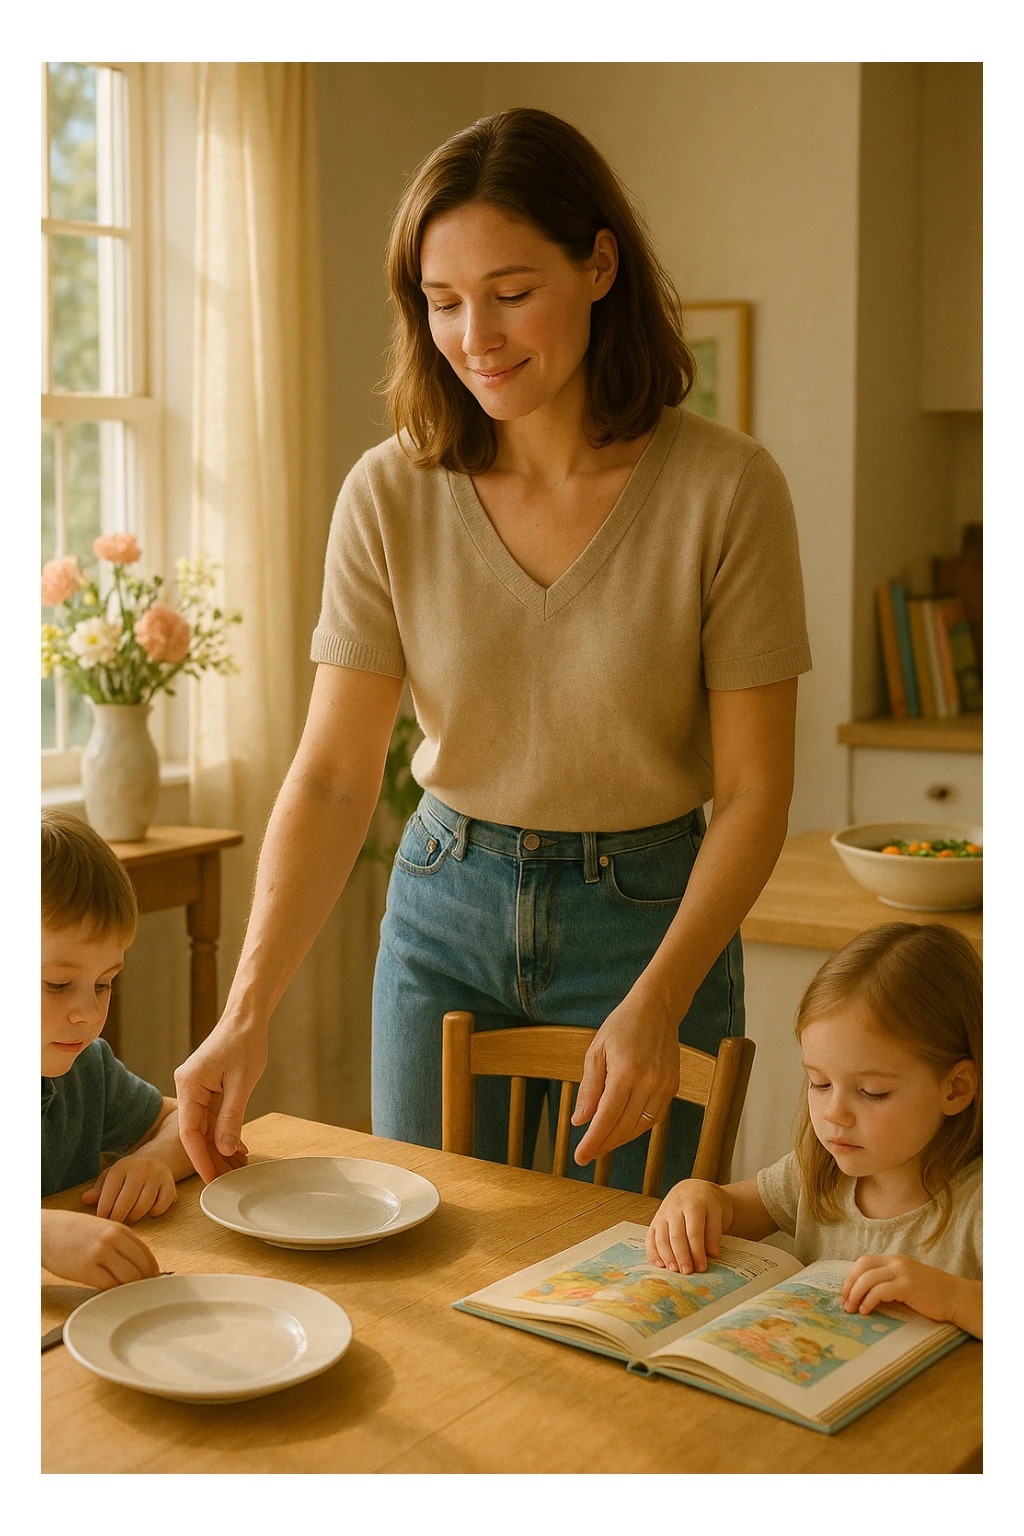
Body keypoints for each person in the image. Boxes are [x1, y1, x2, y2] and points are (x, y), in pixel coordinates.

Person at [174, 106, 811, 1194]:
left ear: (598, 264)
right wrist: (243, 1015)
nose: (476, 335)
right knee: (429, 1266)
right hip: (442, 915)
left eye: (511, 293)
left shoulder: (724, 489)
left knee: (620, 1292)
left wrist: (657, 1000)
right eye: (443, 302)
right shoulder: (387, 494)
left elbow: (753, 793)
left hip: (649, 927)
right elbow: (333, 777)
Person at [646, 922, 982, 1338]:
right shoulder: (820, 1172)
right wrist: (697, 1194)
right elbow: (731, 1209)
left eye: (872, 1092)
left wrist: (954, 1297)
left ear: (956, 1088)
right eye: (819, 1083)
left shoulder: (981, 1204)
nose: (835, 1113)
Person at [40, 810, 244, 1289]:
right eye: (58, 983)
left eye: (105, 983)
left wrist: (154, 1159)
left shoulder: (87, 1070)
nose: (87, 1013)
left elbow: (189, 1122)